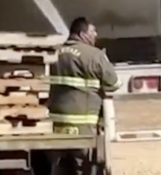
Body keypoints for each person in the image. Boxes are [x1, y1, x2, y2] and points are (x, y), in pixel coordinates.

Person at [48, 17, 121, 175]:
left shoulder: (54, 52)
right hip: (83, 125)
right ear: (82, 34)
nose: (95, 35)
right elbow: (114, 84)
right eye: (92, 32)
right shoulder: (94, 55)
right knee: (82, 166)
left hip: (55, 123)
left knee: (59, 166)